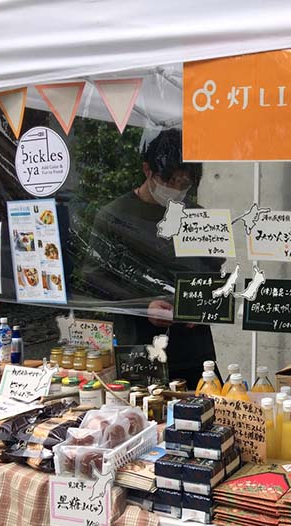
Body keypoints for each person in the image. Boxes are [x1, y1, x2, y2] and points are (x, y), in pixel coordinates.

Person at [82, 128, 222, 387]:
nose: (176, 190)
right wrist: (143, 306)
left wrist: (201, 307)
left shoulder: (197, 216)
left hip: (194, 352)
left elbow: (214, 275)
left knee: (208, 407)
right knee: (144, 409)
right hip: (140, 348)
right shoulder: (114, 216)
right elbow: (95, 278)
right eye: (169, 181)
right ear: (147, 170)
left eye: (184, 184)